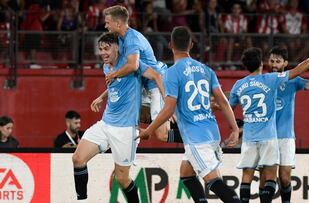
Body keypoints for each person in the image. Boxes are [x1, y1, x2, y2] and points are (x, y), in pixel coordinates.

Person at [137, 26, 241, 203]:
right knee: (186, 173)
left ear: (170, 45)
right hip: (211, 131)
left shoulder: (171, 73)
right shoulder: (207, 70)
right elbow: (223, 101)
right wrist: (235, 129)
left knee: (213, 181)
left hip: (195, 138)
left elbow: (169, 109)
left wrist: (149, 130)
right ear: (191, 45)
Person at [229, 47, 309, 203]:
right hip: (267, 136)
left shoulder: (291, 80)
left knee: (284, 177)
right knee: (264, 178)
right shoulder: (267, 80)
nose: (274, 64)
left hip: (284, 136)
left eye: (278, 61)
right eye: (271, 60)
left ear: (285, 62)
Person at [71, 32, 141, 202]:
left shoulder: (130, 64)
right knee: (78, 158)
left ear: (117, 48)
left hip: (125, 129)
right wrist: (101, 97)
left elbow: (149, 73)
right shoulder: (106, 66)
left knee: (122, 179)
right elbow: (114, 84)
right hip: (106, 123)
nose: (102, 52)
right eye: (100, 49)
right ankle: (82, 200)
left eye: (106, 49)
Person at [102, 5, 183, 144]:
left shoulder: (131, 40)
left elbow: (133, 65)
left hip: (156, 84)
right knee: (125, 108)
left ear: (118, 23)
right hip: (146, 84)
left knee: (162, 135)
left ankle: (199, 138)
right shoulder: (121, 39)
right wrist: (102, 97)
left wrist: (168, 104)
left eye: (108, 22)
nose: (105, 26)